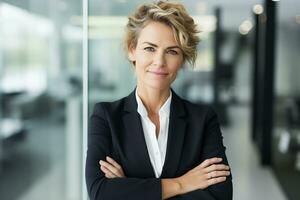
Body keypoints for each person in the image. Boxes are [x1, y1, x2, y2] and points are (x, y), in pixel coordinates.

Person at [85, 1, 232, 199]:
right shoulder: (107, 117)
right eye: (149, 48)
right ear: (132, 50)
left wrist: (129, 187)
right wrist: (182, 184)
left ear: (183, 59)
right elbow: (100, 192)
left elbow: (219, 196)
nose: (159, 62)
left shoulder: (203, 120)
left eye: (172, 51)